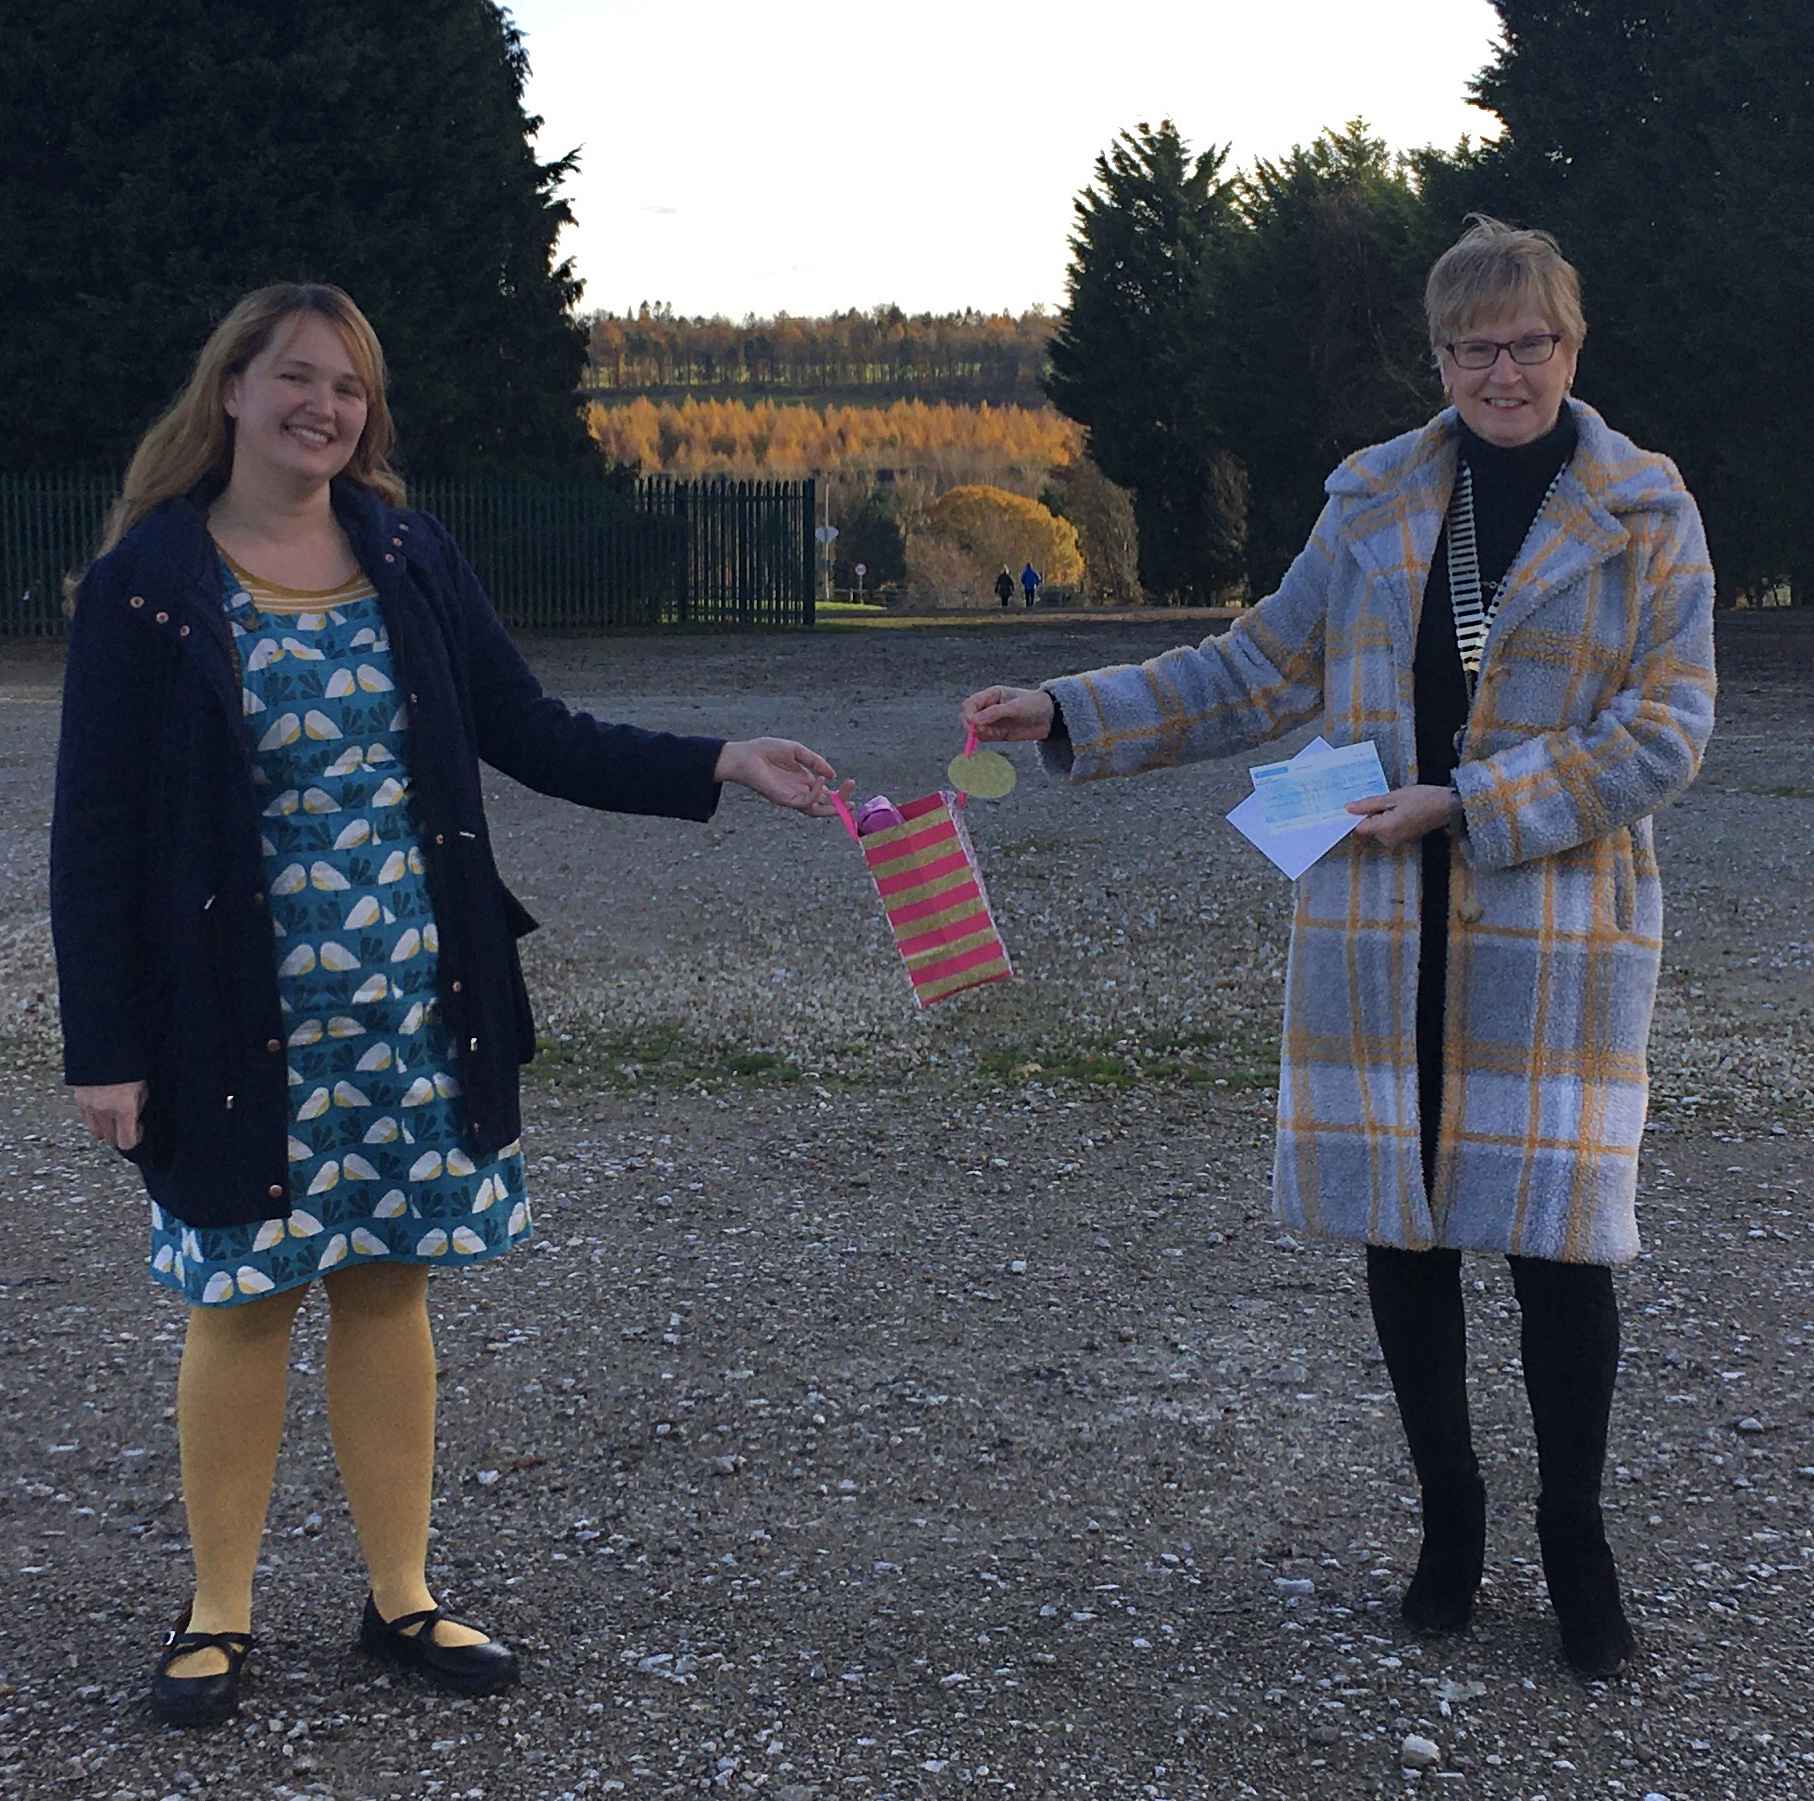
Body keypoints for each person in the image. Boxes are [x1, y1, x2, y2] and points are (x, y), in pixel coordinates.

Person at [50, 282, 853, 1727]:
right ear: (230, 388)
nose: (324, 407)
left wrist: (721, 757)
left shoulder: (410, 553)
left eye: (349, 387)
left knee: (387, 1282)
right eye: (296, 377)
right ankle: (218, 1607)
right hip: (232, 1012)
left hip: (414, 995)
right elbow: (91, 829)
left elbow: (530, 729)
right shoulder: (147, 581)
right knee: (241, 1295)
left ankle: (401, 1592)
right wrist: (101, 1046)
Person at [961, 218, 1715, 1678]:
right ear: (1436, 355)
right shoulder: (1373, 497)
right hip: (1375, 917)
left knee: (1560, 1247)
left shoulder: (1645, 510)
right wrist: (1065, 709)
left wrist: (1469, 801)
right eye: (1472, 345)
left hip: (1551, 923)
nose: (1503, 368)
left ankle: (1576, 1537)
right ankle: (1448, 1520)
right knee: (1404, 1228)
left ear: (1573, 344)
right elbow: (1253, 668)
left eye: (1530, 342)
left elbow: (1665, 732)